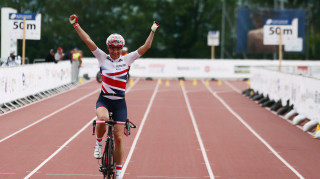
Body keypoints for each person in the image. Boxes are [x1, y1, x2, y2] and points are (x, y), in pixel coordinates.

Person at [69, 14, 159, 178]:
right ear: (108, 48)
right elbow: (88, 41)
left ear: (122, 49)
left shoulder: (128, 59)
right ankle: (98, 143)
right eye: (112, 48)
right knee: (102, 118)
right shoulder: (102, 58)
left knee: (118, 137)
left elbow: (146, 46)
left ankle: (118, 171)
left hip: (119, 104)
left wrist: (153, 31)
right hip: (104, 100)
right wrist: (76, 25)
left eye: (118, 49)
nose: (115, 51)